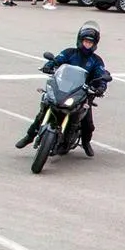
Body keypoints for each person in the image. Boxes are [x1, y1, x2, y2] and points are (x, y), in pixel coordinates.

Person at [16, 22, 111, 155]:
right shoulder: (69, 53)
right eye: (85, 41)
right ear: (80, 40)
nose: (87, 44)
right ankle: (29, 136)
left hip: (82, 92)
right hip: (62, 88)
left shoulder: (96, 61)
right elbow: (57, 60)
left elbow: (101, 74)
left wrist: (101, 86)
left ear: (94, 44)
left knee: (87, 123)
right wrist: (48, 65)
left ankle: (85, 143)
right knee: (44, 109)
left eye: (90, 42)